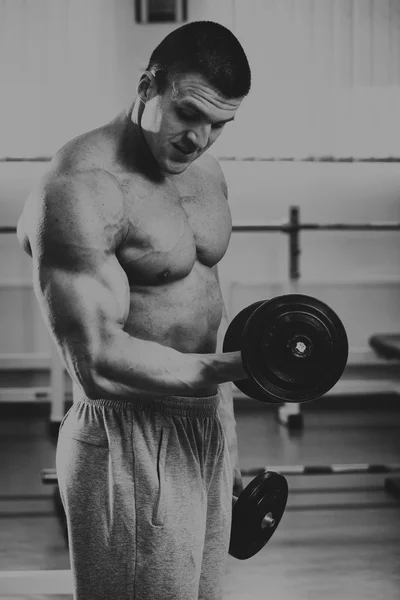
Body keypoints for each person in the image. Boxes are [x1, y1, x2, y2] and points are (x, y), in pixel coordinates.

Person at [17, 20, 251, 600]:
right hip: (128, 436)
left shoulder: (207, 176)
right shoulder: (79, 187)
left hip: (204, 427)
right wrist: (238, 369)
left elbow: (203, 315)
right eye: (188, 115)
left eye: (218, 125)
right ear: (149, 86)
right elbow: (96, 362)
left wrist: (224, 430)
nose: (198, 138)